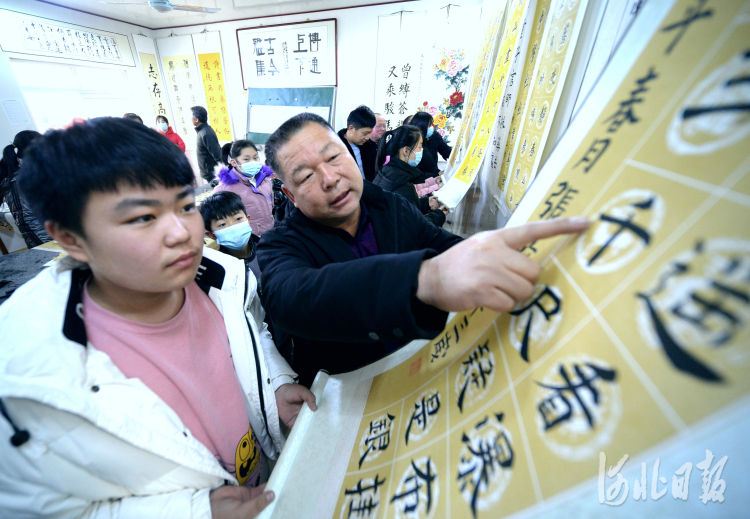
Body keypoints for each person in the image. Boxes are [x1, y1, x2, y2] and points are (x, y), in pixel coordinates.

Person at [0, 117, 316, 519]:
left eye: (185, 206)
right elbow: (42, 509)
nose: (182, 232)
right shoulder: (26, 375)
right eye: (142, 218)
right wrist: (195, 512)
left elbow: (253, 337)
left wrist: (275, 386)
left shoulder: (222, 281)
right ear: (70, 238)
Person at [258, 112, 589, 386]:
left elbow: (443, 247)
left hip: (423, 371)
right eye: (306, 176)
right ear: (290, 195)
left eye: (333, 157)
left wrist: (507, 258)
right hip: (353, 399)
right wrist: (424, 278)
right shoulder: (279, 246)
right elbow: (294, 297)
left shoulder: (388, 205)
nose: (329, 178)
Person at [373, 125, 448, 227]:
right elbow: (415, 228)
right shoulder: (402, 185)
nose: (422, 151)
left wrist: (426, 203)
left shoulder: (388, 171)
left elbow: (401, 208)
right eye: (420, 146)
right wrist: (439, 215)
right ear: (406, 151)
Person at [0, 130, 52, 248]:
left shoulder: (22, 175)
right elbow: (28, 220)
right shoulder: (24, 178)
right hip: (45, 241)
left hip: (45, 237)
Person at [214, 139, 275, 238]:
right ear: (234, 162)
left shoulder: (265, 180)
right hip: (250, 240)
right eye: (246, 159)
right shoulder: (224, 189)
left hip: (271, 233)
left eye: (255, 158)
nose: (253, 162)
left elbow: (271, 206)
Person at [201, 190, 262, 281]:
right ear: (211, 235)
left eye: (238, 219)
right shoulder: (219, 269)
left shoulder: (268, 247)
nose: (233, 227)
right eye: (222, 224)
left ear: (248, 220)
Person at [337, 105, 378, 182]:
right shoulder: (336, 149)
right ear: (351, 128)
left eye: (370, 133)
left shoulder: (370, 147)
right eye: (365, 133)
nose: (367, 137)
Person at [409, 111, 452, 178]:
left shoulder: (434, 135)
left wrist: (455, 152)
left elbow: (446, 152)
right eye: (429, 125)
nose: (431, 128)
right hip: (417, 180)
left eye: (432, 124)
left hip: (434, 177)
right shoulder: (410, 140)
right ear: (421, 126)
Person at [191, 105, 222, 185]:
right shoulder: (202, 131)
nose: (191, 119)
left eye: (192, 116)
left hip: (212, 174)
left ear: (197, 119)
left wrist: (223, 172)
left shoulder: (205, 133)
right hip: (209, 173)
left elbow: (217, 154)